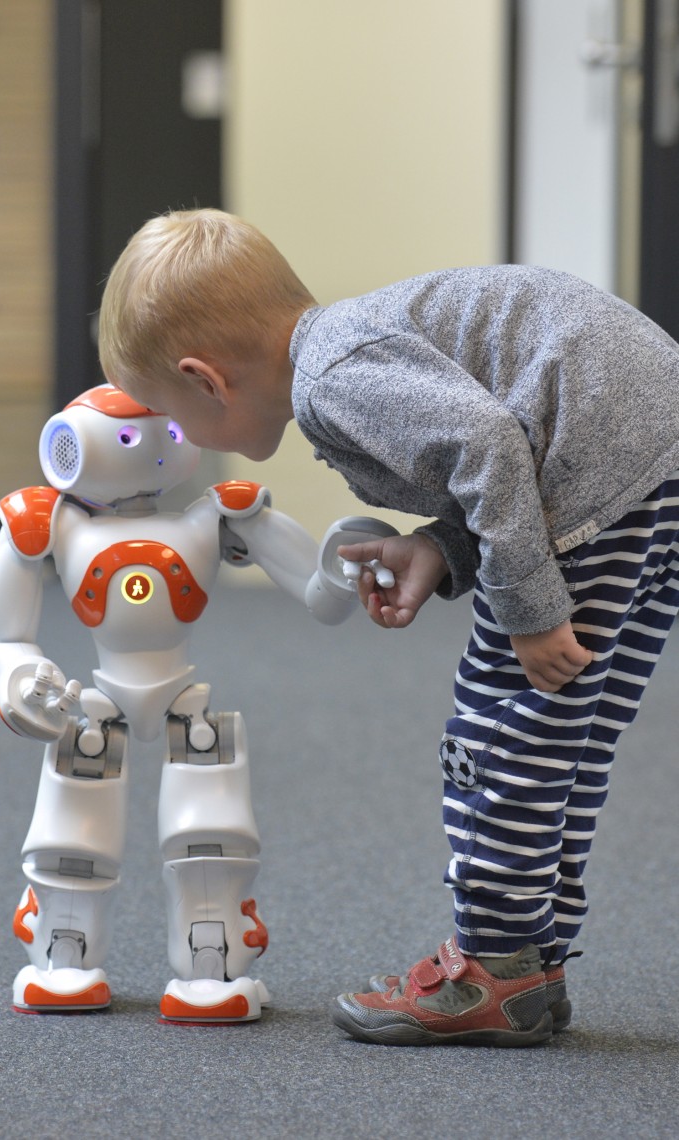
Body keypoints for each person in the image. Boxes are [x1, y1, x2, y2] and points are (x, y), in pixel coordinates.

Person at [98, 207, 679, 1047]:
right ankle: (530, 961)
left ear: (207, 379)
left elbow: (486, 446)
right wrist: (441, 547)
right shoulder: (355, 338)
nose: (187, 438)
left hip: (597, 474)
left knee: (501, 730)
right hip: (647, 467)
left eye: (176, 417)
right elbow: (500, 443)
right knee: (568, 737)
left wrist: (529, 611)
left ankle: (492, 967)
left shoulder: (331, 379)